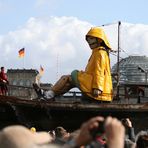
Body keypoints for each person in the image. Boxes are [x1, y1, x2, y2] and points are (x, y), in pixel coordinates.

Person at [33, 27, 113, 102]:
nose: (89, 42)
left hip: (96, 88)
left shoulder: (99, 53)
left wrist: (98, 87)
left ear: (100, 40)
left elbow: (99, 71)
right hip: (94, 85)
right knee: (68, 82)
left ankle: (48, 95)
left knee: (67, 78)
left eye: (91, 39)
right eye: (88, 40)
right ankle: (48, 96)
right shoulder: (98, 52)